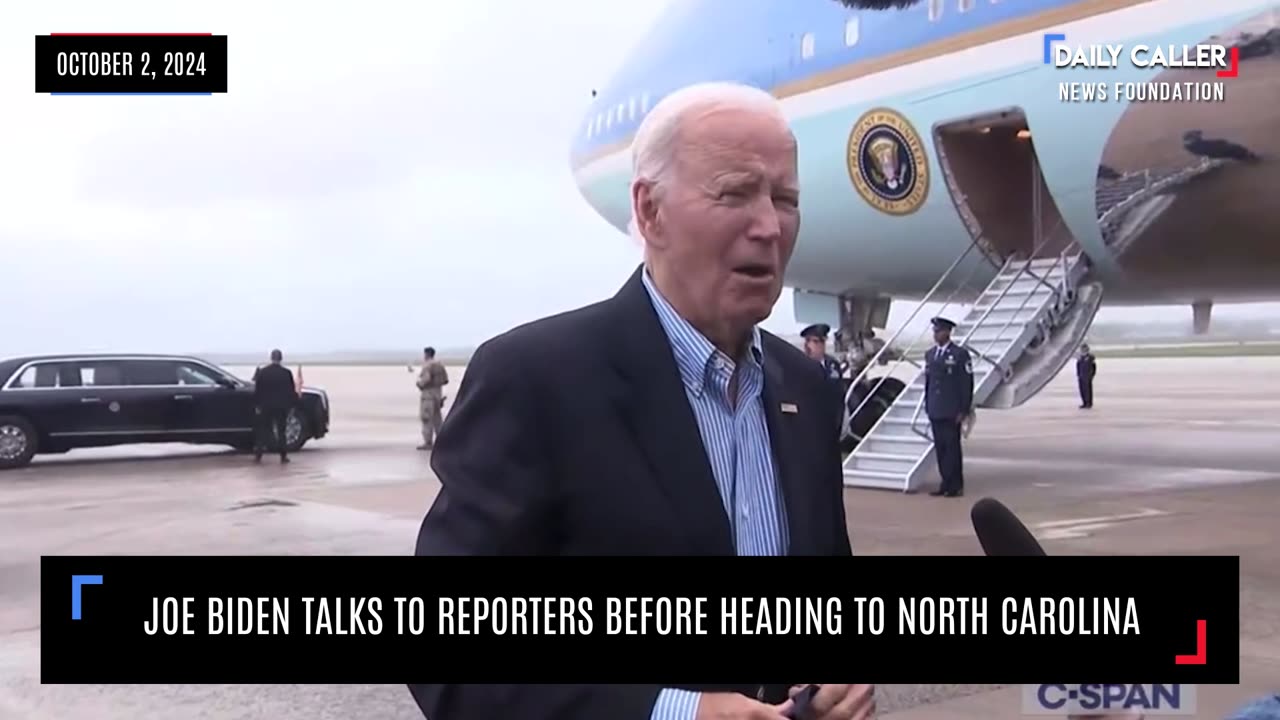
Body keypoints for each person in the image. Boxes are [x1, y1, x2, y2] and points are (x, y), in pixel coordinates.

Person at [409, 82, 872, 720]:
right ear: (650, 212)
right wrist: (674, 713)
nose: (769, 226)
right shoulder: (537, 379)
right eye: (734, 192)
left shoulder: (807, 391)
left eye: (785, 199)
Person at [924, 317, 973, 498]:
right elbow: (929, 383)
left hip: (952, 411)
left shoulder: (960, 355)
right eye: (935, 332)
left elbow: (966, 384)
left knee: (953, 449)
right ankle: (945, 483)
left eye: (939, 331)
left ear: (948, 332)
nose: (936, 335)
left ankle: (955, 485)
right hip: (936, 409)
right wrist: (928, 406)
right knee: (941, 449)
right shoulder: (930, 354)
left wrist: (964, 410)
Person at [251, 349, 297, 464]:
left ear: (271, 358)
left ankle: (258, 456)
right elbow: (291, 391)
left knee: (262, 431)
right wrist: (292, 406)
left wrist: (257, 405)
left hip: (266, 406)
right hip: (281, 407)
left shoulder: (263, 372)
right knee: (281, 432)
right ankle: (283, 456)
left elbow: (258, 391)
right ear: (281, 358)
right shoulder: (286, 373)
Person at [416, 346, 450, 450]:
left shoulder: (428, 366)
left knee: (427, 419)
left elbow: (426, 379)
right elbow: (445, 380)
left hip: (428, 396)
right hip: (437, 395)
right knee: (437, 420)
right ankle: (442, 441)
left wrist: (419, 384)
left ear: (426, 354)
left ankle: (428, 442)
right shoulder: (440, 365)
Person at [1076, 343, 1097, 409]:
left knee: (1088, 390)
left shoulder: (1090, 357)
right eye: (1082, 348)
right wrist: (1078, 375)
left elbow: (1094, 367)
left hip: (1087, 376)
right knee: (1082, 390)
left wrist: (1091, 375)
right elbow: (1078, 367)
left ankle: (1089, 403)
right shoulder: (1080, 358)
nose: (1082, 350)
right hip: (1081, 376)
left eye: (1084, 348)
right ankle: (1084, 403)